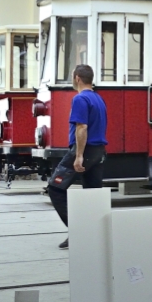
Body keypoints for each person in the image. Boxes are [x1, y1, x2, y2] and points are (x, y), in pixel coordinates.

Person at [47, 64, 107, 249]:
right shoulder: (98, 99)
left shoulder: (80, 99)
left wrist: (79, 155)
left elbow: (82, 127)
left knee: (55, 188)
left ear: (77, 78)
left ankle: (79, 232)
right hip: (98, 152)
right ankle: (95, 235)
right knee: (92, 195)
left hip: (85, 150)